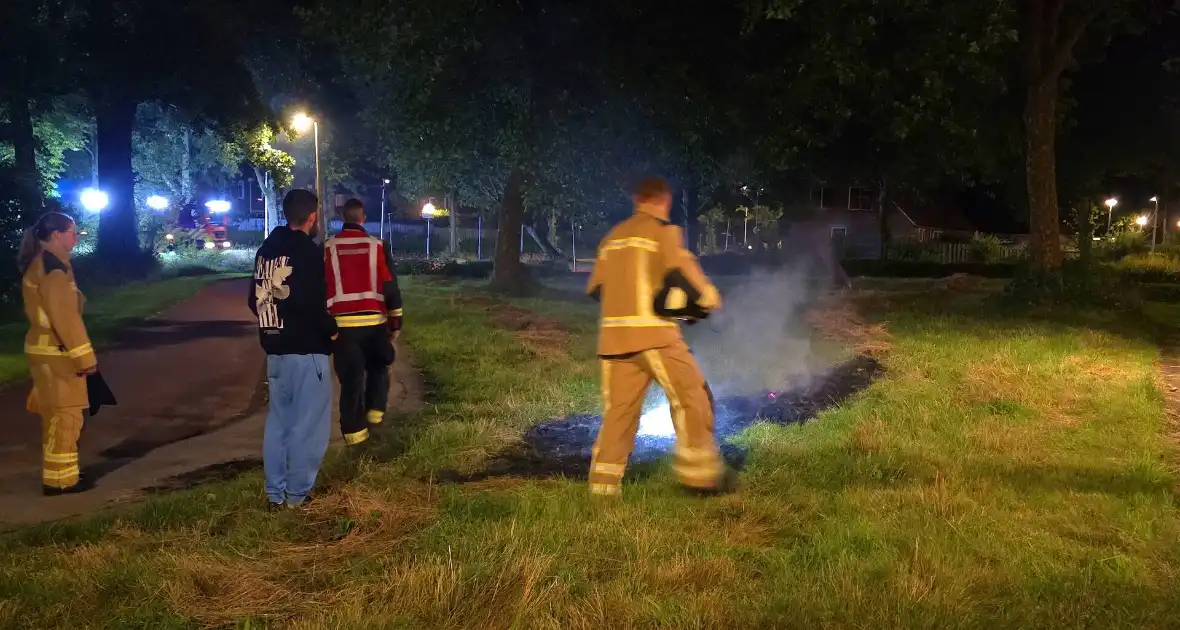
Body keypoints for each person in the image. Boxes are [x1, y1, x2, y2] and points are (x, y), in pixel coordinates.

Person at [585, 176, 734, 497]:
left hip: (612, 341)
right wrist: (704, 303)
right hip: (654, 336)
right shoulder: (664, 233)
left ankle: (602, 487)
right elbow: (692, 280)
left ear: (637, 200)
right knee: (693, 397)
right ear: (663, 201)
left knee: (619, 414)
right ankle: (699, 478)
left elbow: (597, 289)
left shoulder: (613, 237)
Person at [249, 189, 338, 510]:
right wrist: (332, 329)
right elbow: (311, 303)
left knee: (279, 425)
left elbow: (254, 300)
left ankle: (275, 493)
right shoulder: (308, 253)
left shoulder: (265, 251)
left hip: (275, 350)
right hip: (307, 352)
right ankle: (298, 497)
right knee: (309, 427)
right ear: (312, 217)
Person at [18, 212, 98, 496]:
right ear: (56, 235)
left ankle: (62, 477)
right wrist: (85, 359)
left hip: (46, 350)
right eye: (72, 231)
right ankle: (61, 482)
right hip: (56, 352)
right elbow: (65, 319)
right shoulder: (53, 269)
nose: (76, 236)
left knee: (58, 415)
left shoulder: (47, 264)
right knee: (66, 415)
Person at [324, 198, 403, 447]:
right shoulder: (377, 246)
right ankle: (375, 416)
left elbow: (319, 287)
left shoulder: (327, 248)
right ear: (363, 218)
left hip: (343, 328)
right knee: (379, 366)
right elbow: (390, 286)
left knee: (351, 381)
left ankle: (355, 437)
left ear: (343, 218)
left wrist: (325, 327)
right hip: (375, 323)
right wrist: (395, 323)